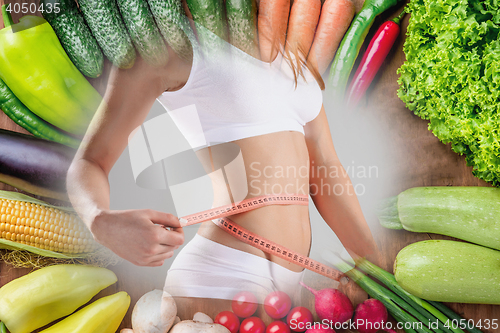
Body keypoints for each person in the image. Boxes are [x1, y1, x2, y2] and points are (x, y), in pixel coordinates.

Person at [66, 5, 377, 311]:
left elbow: (325, 166)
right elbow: (90, 161)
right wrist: (99, 221)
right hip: (221, 273)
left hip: (292, 283)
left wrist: (371, 266)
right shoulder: (165, 43)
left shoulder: (289, 35)